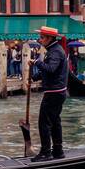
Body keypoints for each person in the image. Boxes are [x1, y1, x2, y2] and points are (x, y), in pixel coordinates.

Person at [30, 26, 70, 161]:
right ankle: (58, 151)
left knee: (44, 123)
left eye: (42, 37)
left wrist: (37, 62)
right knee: (54, 121)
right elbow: (49, 71)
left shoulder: (55, 52)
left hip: (54, 92)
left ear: (49, 38)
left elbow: (51, 69)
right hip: (57, 91)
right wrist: (35, 76)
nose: (40, 40)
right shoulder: (54, 50)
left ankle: (46, 152)